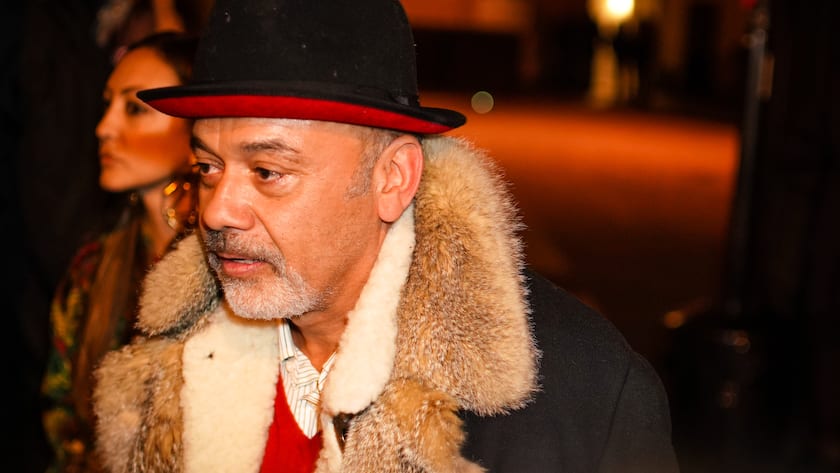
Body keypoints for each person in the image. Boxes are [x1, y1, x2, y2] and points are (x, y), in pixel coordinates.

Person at [92, 1, 680, 472]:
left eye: (268, 172)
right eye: (207, 168)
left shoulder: (587, 397)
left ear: (392, 178)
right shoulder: (168, 355)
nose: (217, 211)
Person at [40, 31, 199, 473]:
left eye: (134, 108)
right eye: (107, 104)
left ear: (197, 128)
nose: (104, 127)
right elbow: (62, 417)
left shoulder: (227, 266)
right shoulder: (94, 266)